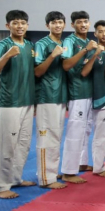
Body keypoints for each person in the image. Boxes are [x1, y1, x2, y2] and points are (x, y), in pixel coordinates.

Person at [0, 10, 36, 199]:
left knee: (23, 144)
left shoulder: (30, 46)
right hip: (9, 103)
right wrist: (7, 55)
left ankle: (15, 178)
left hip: (27, 101)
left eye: (23, 23)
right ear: (8, 26)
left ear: (27, 25)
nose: (20, 26)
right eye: (15, 23)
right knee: (5, 146)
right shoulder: (3, 45)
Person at [60, 11, 97, 184]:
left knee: (85, 130)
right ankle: (68, 171)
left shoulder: (88, 42)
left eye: (85, 21)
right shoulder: (70, 41)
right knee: (75, 131)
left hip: (88, 91)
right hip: (76, 92)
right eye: (79, 22)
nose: (83, 24)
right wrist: (86, 50)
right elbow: (66, 65)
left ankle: (81, 163)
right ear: (72, 24)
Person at [33, 12, 68, 189]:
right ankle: (46, 178)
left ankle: (52, 171)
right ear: (48, 26)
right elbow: (37, 71)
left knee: (57, 136)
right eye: (53, 23)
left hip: (60, 96)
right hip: (46, 96)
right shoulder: (42, 44)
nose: (57, 25)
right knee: (46, 138)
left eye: (60, 22)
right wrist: (53, 55)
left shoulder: (63, 44)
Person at [80, 20, 105, 177]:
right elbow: (84, 71)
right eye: (100, 31)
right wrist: (95, 54)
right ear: (95, 34)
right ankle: (98, 167)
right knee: (94, 133)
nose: (103, 34)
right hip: (95, 96)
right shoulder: (91, 49)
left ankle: (100, 161)